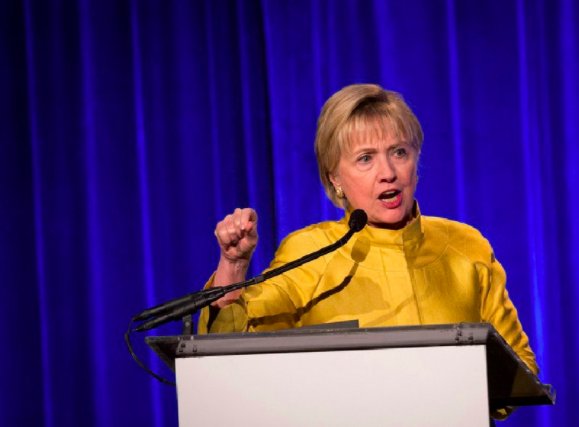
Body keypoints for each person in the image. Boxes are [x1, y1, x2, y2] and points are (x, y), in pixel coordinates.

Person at [198, 85, 539, 410]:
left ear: (416, 161)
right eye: (365, 159)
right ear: (335, 178)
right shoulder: (310, 251)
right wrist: (233, 264)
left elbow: (520, 370)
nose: (388, 172)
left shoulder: (466, 246)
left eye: (399, 152)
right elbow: (232, 346)